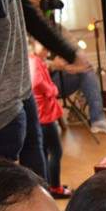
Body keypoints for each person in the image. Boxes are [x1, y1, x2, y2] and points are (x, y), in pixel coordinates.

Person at [0, 0, 106, 180]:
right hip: (3, 101)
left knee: (36, 162)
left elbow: (30, 16)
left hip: (20, 89)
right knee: (10, 181)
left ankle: (44, 203)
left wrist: (70, 52)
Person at [29, 42, 72, 198]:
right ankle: (55, 188)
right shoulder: (34, 61)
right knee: (56, 151)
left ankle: (49, 185)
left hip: (41, 114)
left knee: (46, 151)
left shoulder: (34, 60)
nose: (46, 50)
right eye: (43, 47)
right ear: (33, 45)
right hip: (44, 115)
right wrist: (51, 90)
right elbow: (36, 82)